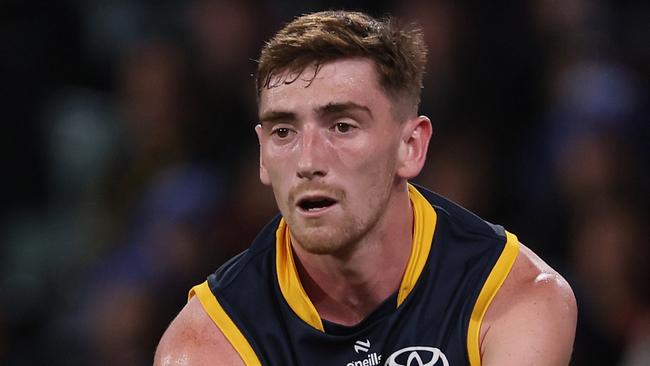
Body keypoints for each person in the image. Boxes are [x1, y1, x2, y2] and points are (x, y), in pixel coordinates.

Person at [155, 10, 577, 365]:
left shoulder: (515, 297)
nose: (308, 162)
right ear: (263, 156)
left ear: (410, 147)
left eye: (341, 126)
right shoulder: (207, 343)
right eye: (284, 131)